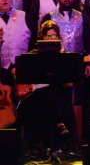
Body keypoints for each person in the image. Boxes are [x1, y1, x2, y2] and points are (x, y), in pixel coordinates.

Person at [15, 20, 76, 149]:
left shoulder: (64, 56)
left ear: (58, 38)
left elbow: (69, 85)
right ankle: (59, 125)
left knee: (51, 93)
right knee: (46, 95)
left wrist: (60, 62)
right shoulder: (33, 56)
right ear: (41, 38)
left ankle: (51, 141)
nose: (50, 39)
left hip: (56, 98)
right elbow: (19, 74)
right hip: (35, 99)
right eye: (47, 36)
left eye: (53, 36)